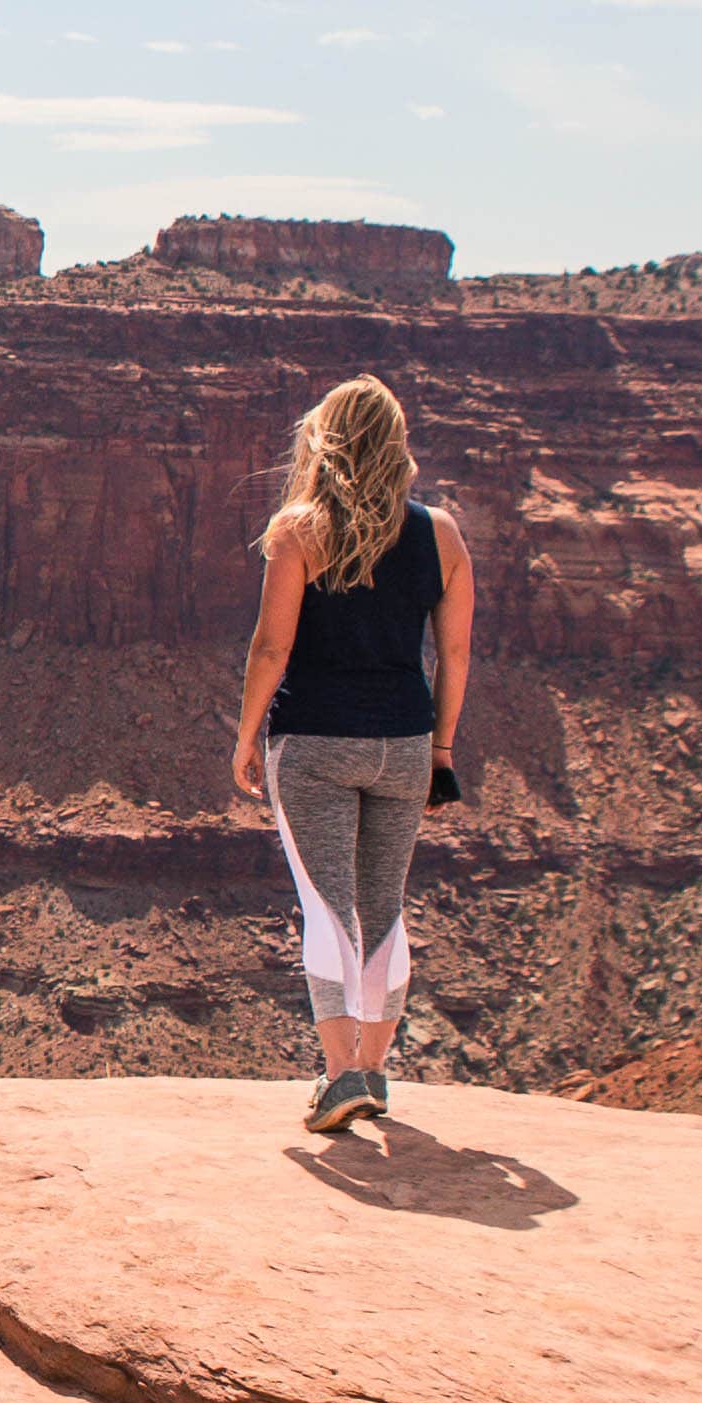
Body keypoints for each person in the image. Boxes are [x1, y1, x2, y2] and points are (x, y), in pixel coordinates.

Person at [224, 374, 470, 1138]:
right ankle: (375, 1069)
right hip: (403, 746)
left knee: (328, 909)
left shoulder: (298, 529)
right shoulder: (443, 534)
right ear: (395, 445)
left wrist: (244, 735)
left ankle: (341, 1077)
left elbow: (273, 645)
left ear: (324, 440)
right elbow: (455, 654)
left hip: (316, 745)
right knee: (383, 908)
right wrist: (442, 748)